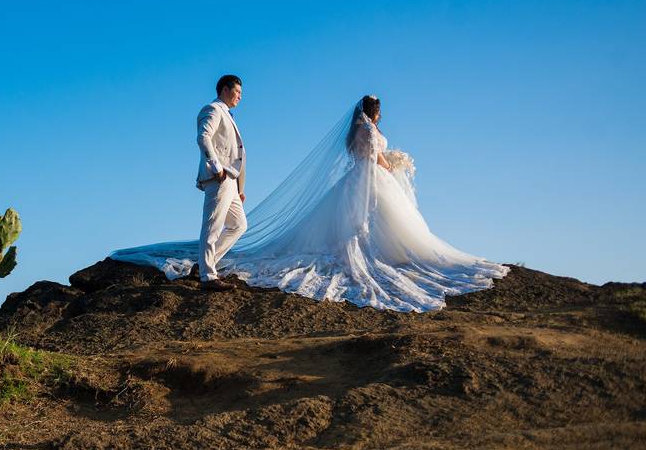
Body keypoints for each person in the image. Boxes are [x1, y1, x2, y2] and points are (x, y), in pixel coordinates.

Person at [112, 94, 508, 312]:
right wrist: (395, 163)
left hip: (343, 180)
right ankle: (207, 268)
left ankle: (209, 263)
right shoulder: (367, 130)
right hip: (362, 179)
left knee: (239, 226)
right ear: (374, 112)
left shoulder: (360, 129)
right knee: (364, 230)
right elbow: (373, 157)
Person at [195, 75, 247, 290]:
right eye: (238, 92)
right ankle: (208, 277)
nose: (240, 97)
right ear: (225, 89)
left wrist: (239, 188)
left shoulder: (227, 113)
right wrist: (216, 168)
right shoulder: (213, 109)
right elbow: (203, 137)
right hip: (220, 177)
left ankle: (205, 264)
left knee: (239, 225)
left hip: (231, 183)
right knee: (212, 226)